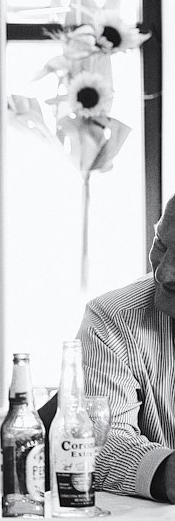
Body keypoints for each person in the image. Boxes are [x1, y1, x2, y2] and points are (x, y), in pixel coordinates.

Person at [80, 193, 175, 502]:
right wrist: (166, 472)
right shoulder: (112, 317)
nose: (164, 273)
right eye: (160, 245)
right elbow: (100, 445)